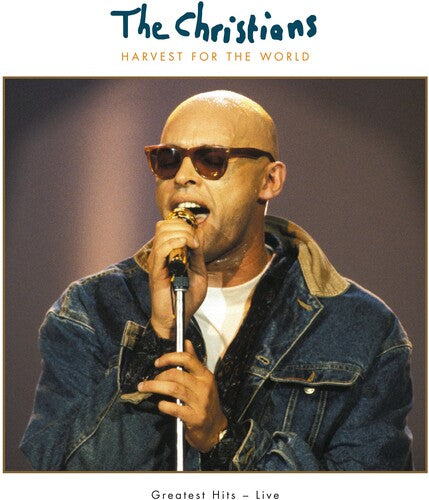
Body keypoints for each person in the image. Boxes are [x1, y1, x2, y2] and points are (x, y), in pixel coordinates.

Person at [20, 90, 413, 471]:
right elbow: (65, 477)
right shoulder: (89, 309)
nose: (183, 177)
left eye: (211, 160)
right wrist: (157, 336)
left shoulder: (361, 329)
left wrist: (225, 440)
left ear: (269, 180)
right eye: (167, 160)